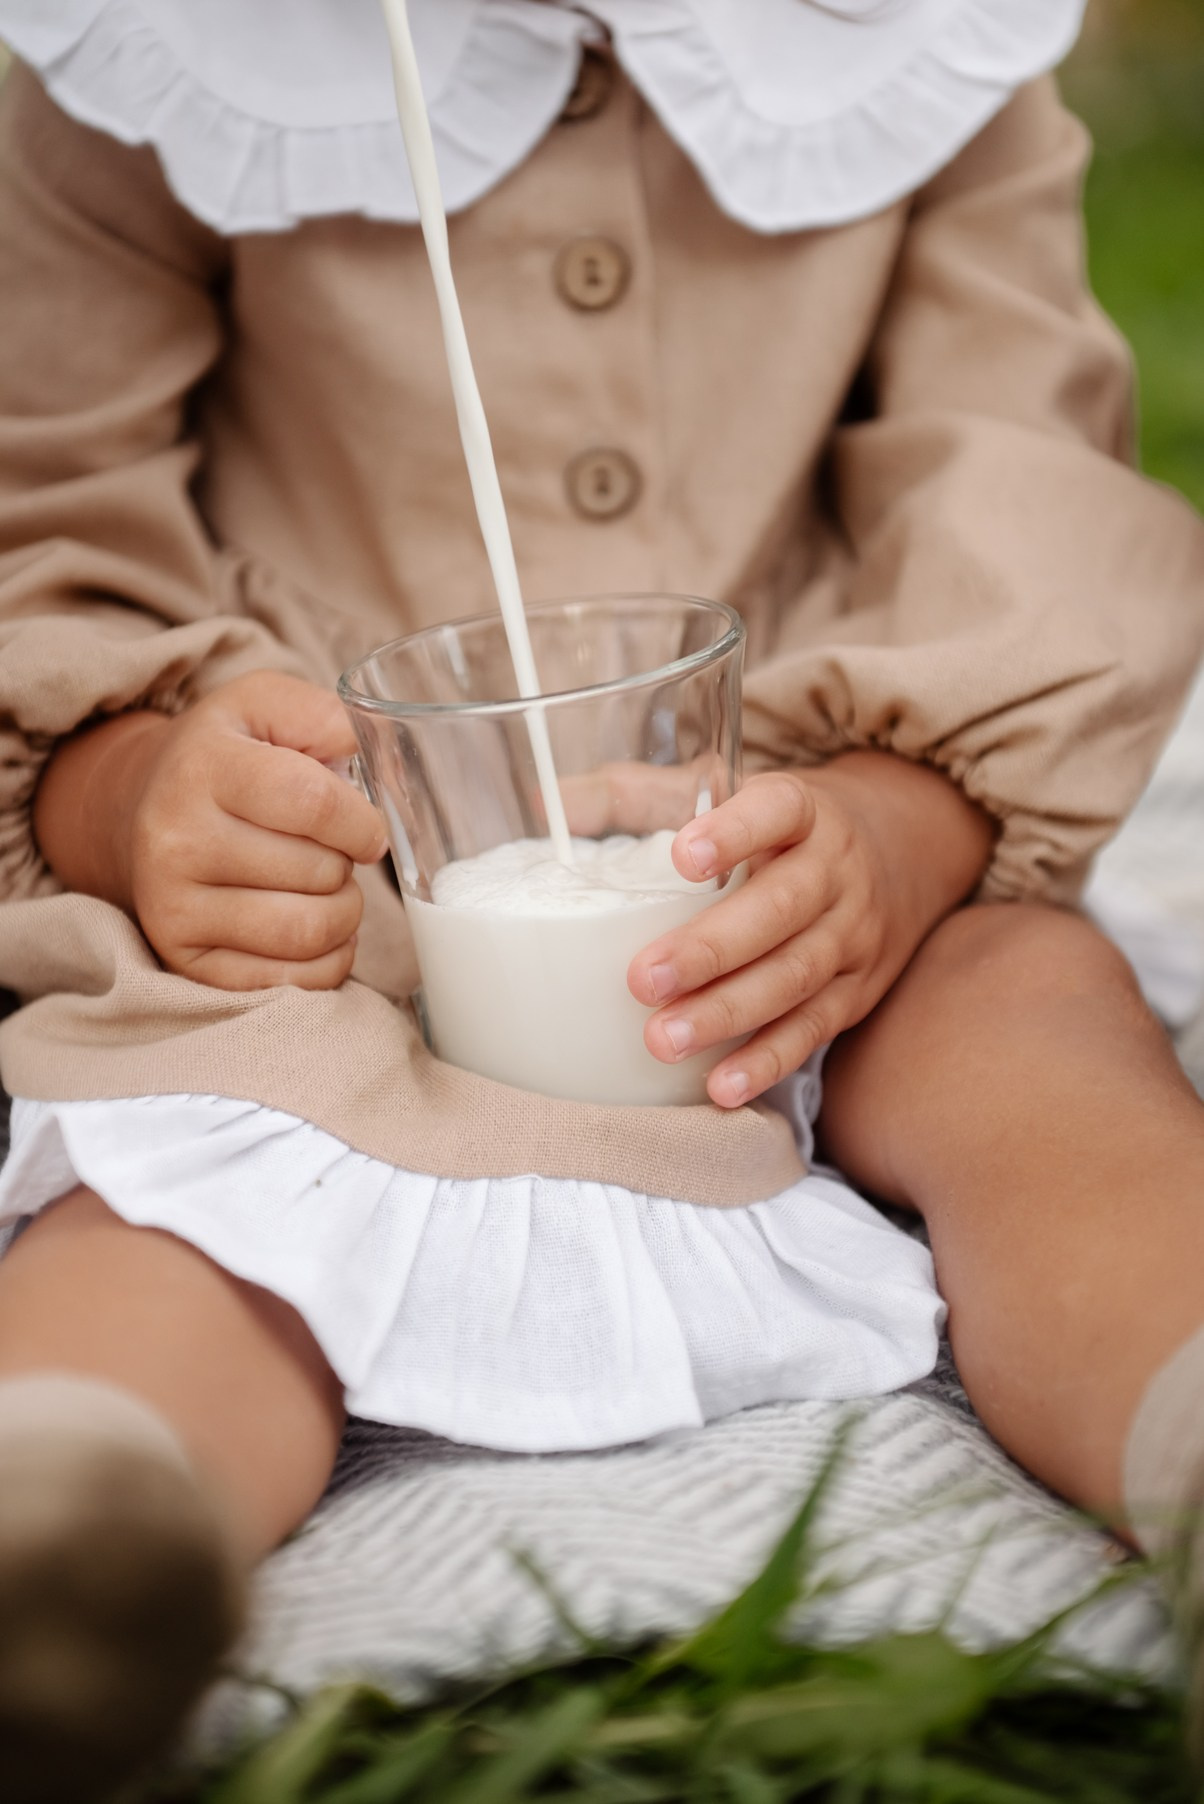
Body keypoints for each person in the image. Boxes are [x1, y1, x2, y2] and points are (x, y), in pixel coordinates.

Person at [0, 0, 1203, 1795]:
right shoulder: (158, 54)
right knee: (181, 1182)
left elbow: (1021, 480)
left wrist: (890, 834)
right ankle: (73, 1534)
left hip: (807, 868)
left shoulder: (915, 45)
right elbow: (41, 519)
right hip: (326, 915)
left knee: (1035, 1035)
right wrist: (139, 799)